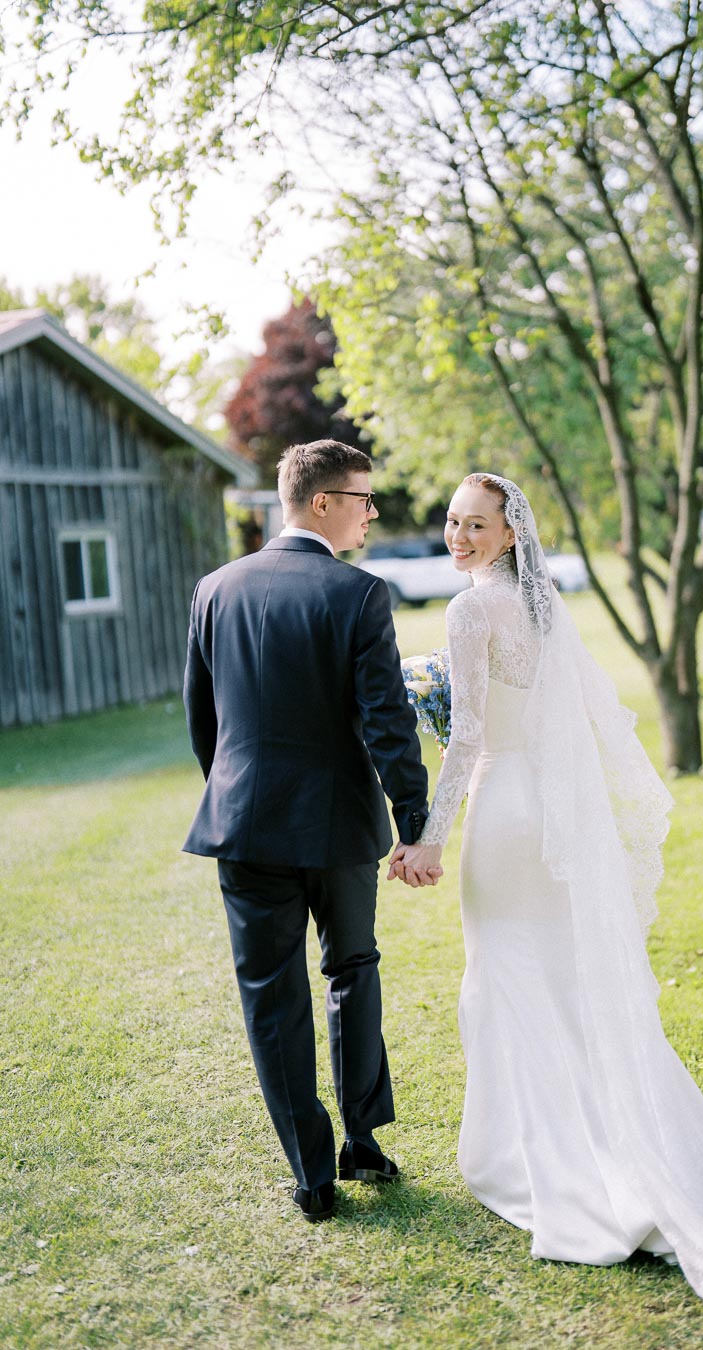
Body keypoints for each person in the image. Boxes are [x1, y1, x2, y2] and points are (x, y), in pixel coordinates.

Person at [393, 474, 703, 1350]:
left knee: (508, 981)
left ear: (510, 534)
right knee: (557, 983)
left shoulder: (471, 612)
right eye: (451, 522)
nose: (458, 537)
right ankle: (617, 1148)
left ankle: (538, 1163)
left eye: (475, 525)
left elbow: (473, 738)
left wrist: (428, 836)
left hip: (508, 813)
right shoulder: (543, 608)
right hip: (557, 815)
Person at [183, 439, 439, 1224]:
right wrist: (414, 821)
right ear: (322, 502)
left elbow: (205, 723)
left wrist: (235, 797)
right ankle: (361, 1139)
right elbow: (387, 724)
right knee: (353, 969)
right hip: (336, 828)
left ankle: (311, 1173)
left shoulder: (214, 588)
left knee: (272, 998)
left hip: (243, 827)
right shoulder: (358, 594)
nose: (372, 512)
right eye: (364, 498)